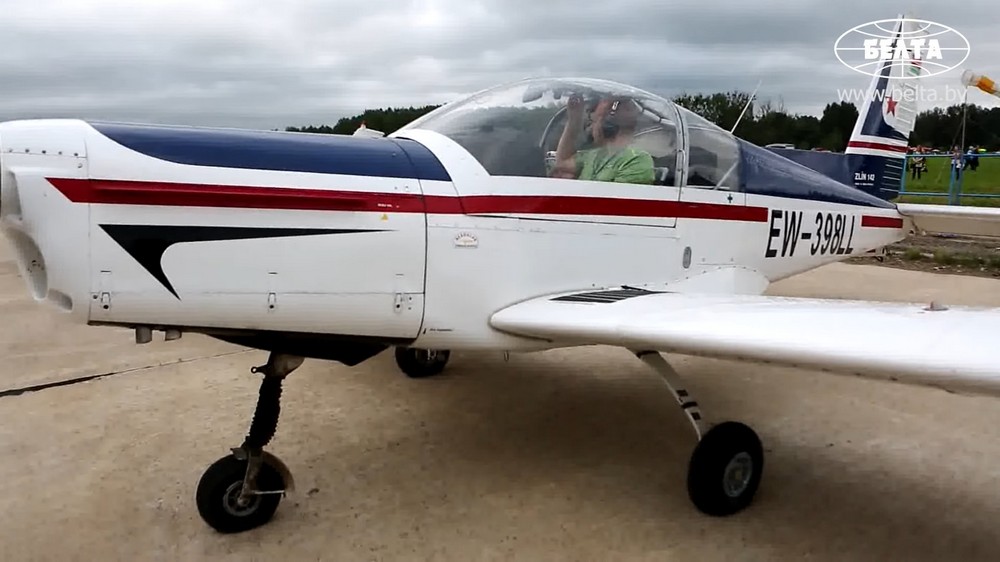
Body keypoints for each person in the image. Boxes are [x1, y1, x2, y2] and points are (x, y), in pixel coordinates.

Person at [550, 94, 655, 185]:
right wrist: (574, 119)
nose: (590, 129)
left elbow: (613, 202)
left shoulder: (637, 159)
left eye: (593, 122)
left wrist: (602, 112)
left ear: (607, 126)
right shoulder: (594, 156)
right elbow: (562, 162)